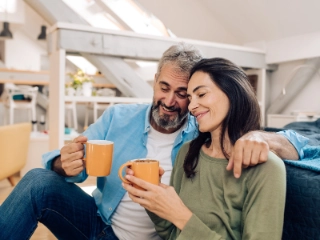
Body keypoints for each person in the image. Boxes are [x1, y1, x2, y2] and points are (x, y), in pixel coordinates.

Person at [0, 43, 306, 240]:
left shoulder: (199, 136)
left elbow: (306, 145)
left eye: (185, 94)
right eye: (164, 87)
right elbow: (75, 164)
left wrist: (261, 136)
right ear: (155, 80)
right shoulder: (119, 119)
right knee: (39, 180)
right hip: (98, 223)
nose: (171, 101)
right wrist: (62, 163)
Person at [123, 57, 287, 239]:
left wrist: (181, 216)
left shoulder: (267, 168)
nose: (192, 106)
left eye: (201, 95)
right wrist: (154, 202)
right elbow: (171, 234)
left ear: (232, 92)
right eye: (190, 98)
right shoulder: (188, 153)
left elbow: (181, 222)